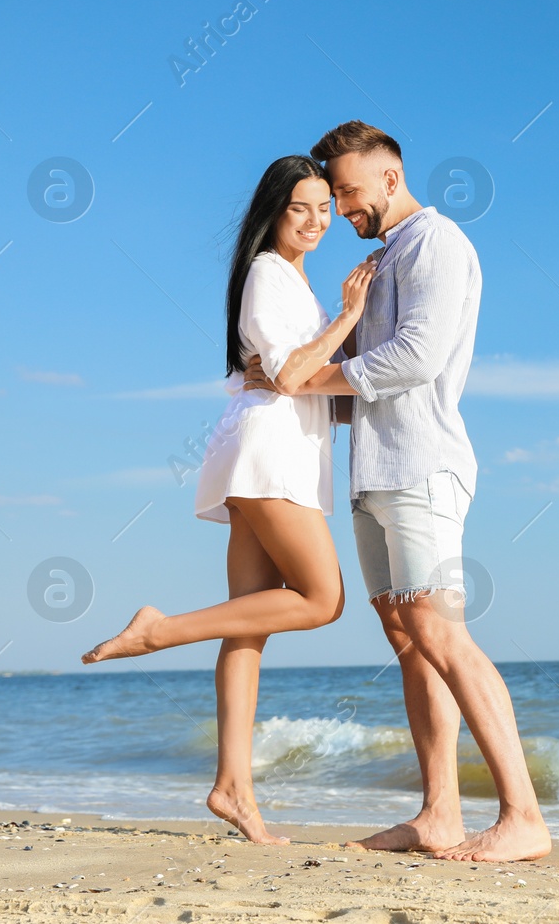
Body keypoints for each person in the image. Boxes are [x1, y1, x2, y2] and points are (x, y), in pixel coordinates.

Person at [243, 121, 552, 862]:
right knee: (407, 638)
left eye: (348, 192)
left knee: (439, 628)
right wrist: (285, 381)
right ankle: (439, 812)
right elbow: (351, 390)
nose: (341, 211)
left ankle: (523, 815)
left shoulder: (438, 243)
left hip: (423, 466)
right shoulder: (381, 262)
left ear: (390, 177)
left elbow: (415, 358)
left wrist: (309, 378)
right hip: (372, 471)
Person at [81, 154, 375, 846]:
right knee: (323, 598)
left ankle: (233, 786)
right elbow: (292, 372)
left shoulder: (291, 283)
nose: (316, 221)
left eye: (325, 209)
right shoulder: (269, 277)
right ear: (272, 211)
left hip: (267, 449)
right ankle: (158, 628)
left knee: (248, 626)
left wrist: (327, 359)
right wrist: (350, 317)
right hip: (268, 457)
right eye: (301, 207)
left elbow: (295, 379)